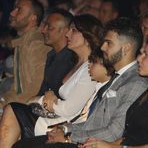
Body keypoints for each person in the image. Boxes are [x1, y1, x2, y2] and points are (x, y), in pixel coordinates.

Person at [13, 17, 148, 148]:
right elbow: (91, 121)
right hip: (81, 136)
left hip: (93, 143)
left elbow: (114, 131)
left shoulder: (135, 82)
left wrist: (69, 138)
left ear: (126, 48)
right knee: (22, 144)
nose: (102, 47)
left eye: (109, 43)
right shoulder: (116, 77)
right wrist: (64, 128)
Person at [0, 14, 103, 148]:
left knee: (12, 111)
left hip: (61, 124)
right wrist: (46, 97)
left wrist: (42, 100)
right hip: (53, 116)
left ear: (88, 37)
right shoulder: (75, 62)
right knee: (11, 110)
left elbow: (70, 109)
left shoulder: (91, 69)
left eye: (74, 30)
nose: (68, 34)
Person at [1, 0, 50, 104]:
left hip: (28, 109)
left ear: (32, 18)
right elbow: (18, 88)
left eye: (19, 10)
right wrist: (3, 101)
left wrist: (6, 106)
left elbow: (35, 90)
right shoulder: (23, 42)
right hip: (17, 104)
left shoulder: (37, 44)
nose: (12, 13)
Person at [34, 8, 76, 99]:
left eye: (50, 27)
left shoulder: (71, 60)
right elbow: (43, 91)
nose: (43, 31)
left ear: (66, 31)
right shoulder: (52, 55)